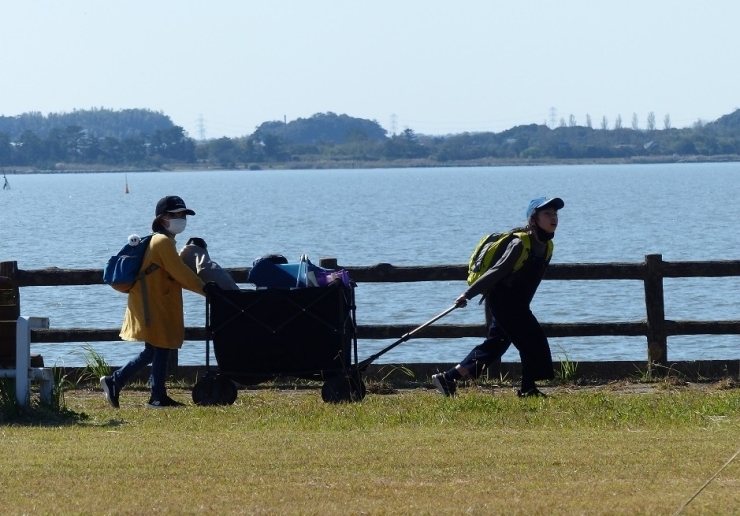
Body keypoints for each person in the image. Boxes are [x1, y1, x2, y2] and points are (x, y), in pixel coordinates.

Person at [432, 196, 564, 398]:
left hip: (519, 304)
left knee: (495, 345)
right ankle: (528, 389)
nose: (553, 217)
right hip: (503, 302)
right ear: (533, 219)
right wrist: (467, 294)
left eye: (555, 213)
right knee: (532, 342)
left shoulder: (547, 247)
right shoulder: (520, 243)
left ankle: (448, 378)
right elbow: (496, 271)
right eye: (547, 213)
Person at [101, 196, 206, 408]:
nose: (181, 219)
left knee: (155, 349)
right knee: (160, 347)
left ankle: (120, 382)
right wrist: (208, 290)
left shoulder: (161, 241)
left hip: (153, 302)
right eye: (175, 215)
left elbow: (176, 274)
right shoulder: (162, 242)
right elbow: (182, 274)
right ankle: (155, 396)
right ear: (162, 218)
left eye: (183, 215)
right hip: (153, 304)